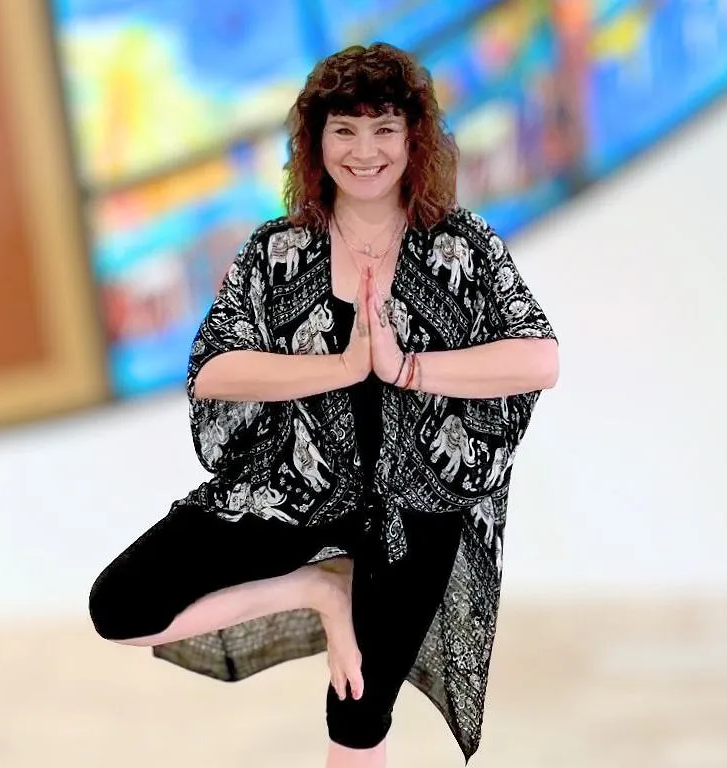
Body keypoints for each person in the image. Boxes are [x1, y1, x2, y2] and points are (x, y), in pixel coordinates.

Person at [88, 42, 559, 767]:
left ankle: (347, 610)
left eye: (384, 129)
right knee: (120, 608)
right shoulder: (277, 252)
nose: (364, 150)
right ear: (315, 141)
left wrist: (406, 367)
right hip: (297, 488)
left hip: (417, 511)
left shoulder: (460, 246)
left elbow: (539, 358)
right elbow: (214, 369)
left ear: (413, 139)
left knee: (358, 720)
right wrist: (339, 365)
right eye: (344, 129)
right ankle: (318, 587)